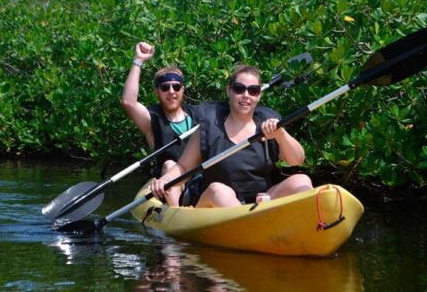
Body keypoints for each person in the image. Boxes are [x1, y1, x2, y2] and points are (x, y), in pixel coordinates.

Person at [149, 64, 312, 207]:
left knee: (302, 180)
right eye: (239, 89)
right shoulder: (209, 126)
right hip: (215, 203)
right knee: (220, 191)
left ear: (259, 95)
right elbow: (183, 167)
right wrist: (165, 180)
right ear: (229, 91)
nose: (246, 95)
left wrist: (281, 134)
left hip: (259, 201)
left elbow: (297, 159)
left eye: (253, 90)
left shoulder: (270, 127)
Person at [121, 41, 200, 205]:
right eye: (165, 87)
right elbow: (128, 102)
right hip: (168, 185)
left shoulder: (199, 115)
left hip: (199, 180)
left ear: (183, 89)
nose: (171, 92)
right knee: (170, 164)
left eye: (176, 87)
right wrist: (138, 60)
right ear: (157, 91)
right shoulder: (152, 120)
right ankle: (177, 215)